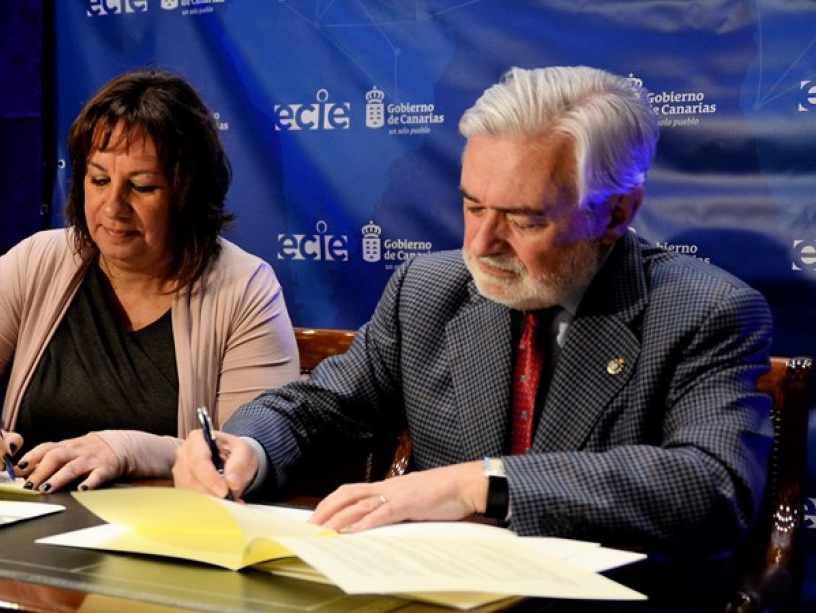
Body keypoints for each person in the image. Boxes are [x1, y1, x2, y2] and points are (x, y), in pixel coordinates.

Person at [174, 66, 772, 562]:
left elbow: (712, 486)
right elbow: (323, 407)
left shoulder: (705, 312)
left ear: (616, 213)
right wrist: (247, 448)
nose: (482, 243)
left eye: (524, 219)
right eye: (472, 204)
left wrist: (480, 484)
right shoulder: (428, 290)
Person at [0, 68, 299, 491]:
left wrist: (125, 450)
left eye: (142, 187)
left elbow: (243, 456)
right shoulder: (36, 262)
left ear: (188, 194)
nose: (112, 206)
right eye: (99, 180)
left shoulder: (244, 288)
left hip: (164, 541)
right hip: (23, 532)